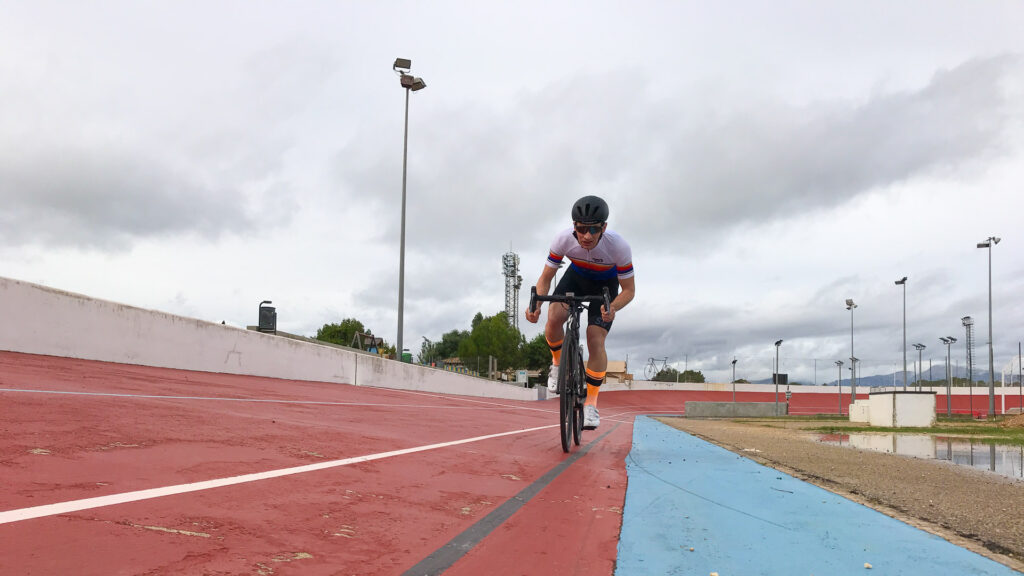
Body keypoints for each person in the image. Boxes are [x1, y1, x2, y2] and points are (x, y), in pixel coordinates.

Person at [525, 195, 635, 430]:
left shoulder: (619, 247)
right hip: (575, 279)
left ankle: (591, 404)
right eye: (581, 229)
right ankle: (557, 364)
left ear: (604, 227)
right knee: (553, 318)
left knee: (595, 338)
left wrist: (613, 307)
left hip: (605, 286)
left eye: (593, 229)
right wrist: (537, 305)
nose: (586, 235)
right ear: (573, 226)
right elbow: (545, 278)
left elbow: (629, 290)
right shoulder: (563, 240)